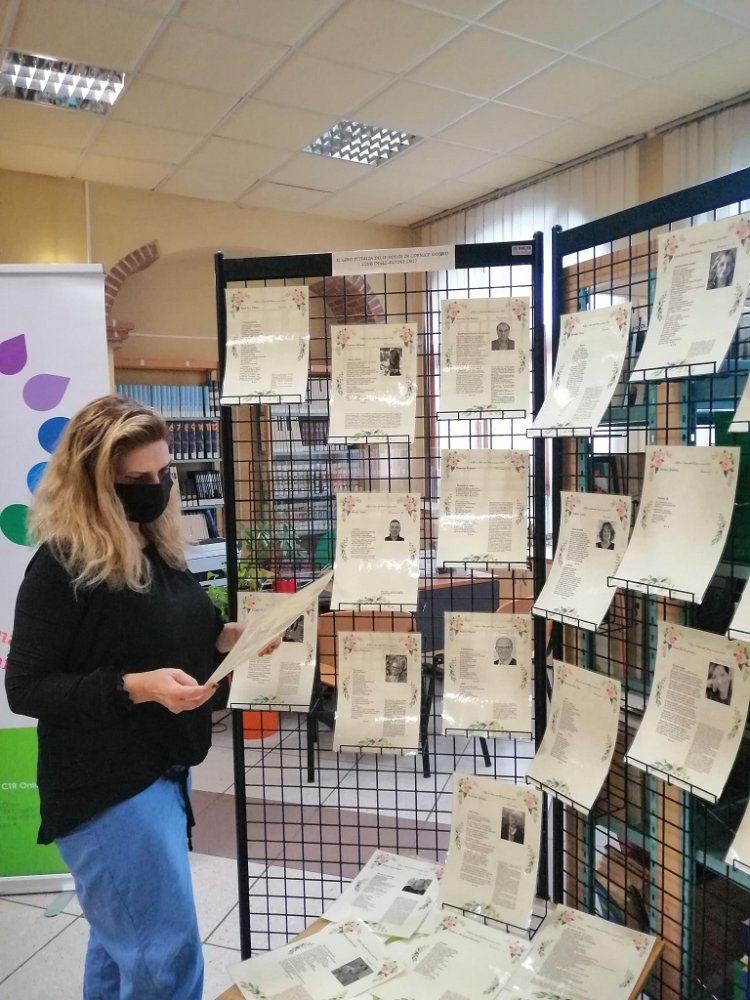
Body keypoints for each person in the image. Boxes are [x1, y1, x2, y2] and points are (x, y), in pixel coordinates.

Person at [5, 395, 278, 1000]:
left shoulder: (156, 545)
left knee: (120, 942)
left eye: (163, 473)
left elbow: (182, 630)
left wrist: (233, 637)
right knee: (164, 957)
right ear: (94, 483)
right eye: (137, 480)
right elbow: (25, 687)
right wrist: (135, 686)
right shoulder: (61, 565)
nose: (156, 489)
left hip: (162, 768)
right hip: (107, 788)